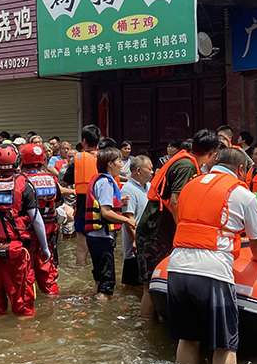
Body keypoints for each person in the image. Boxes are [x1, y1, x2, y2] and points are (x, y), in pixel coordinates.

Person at [167, 147, 257, 364]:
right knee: (225, 344)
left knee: (188, 338)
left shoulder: (190, 185)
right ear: (241, 169)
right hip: (213, 271)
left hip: (176, 268)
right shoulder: (244, 195)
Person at [136, 129, 221, 319]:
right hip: (156, 232)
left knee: (151, 285)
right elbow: (175, 201)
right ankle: (148, 331)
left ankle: (149, 331)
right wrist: (182, 232)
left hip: (154, 229)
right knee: (151, 285)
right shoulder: (186, 167)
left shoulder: (185, 161)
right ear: (212, 154)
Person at [0, 143, 49, 316]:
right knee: (23, 305)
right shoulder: (23, 185)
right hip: (17, 252)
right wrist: (45, 247)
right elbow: (36, 221)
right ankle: (23, 338)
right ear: (17, 162)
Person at [84, 147, 134, 300]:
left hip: (95, 236)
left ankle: (95, 307)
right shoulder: (106, 182)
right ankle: (103, 315)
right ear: (110, 164)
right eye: (119, 161)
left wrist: (120, 201)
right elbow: (105, 212)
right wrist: (128, 220)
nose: (121, 164)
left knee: (99, 278)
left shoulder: (100, 180)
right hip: (102, 237)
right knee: (107, 283)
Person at [20, 142, 61, 295]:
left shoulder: (20, 181)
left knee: (26, 279)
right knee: (49, 279)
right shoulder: (52, 179)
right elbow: (58, 201)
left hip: (27, 238)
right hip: (48, 237)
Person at [69, 125, 100, 268]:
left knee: (82, 249)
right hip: (100, 207)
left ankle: (80, 272)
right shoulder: (104, 158)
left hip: (82, 206)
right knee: (100, 247)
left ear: (83, 141)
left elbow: (65, 180)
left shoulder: (77, 158)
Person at [121, 155, 153, 289]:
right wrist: (135, 240)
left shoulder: (149, 186)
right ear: (139, 170)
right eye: (149, 169)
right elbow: (129, 219)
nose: (152, 172)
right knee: (133, 288)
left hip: (148, 244)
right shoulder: (128, 189)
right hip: (135, 249)